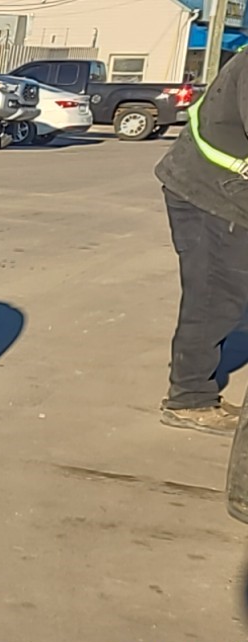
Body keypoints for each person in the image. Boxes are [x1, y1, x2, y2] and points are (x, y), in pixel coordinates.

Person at [157, 54, 248, 435]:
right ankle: (189, 397)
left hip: (222, 185)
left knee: (226, 291)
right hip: (207, 192)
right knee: (215, 294)